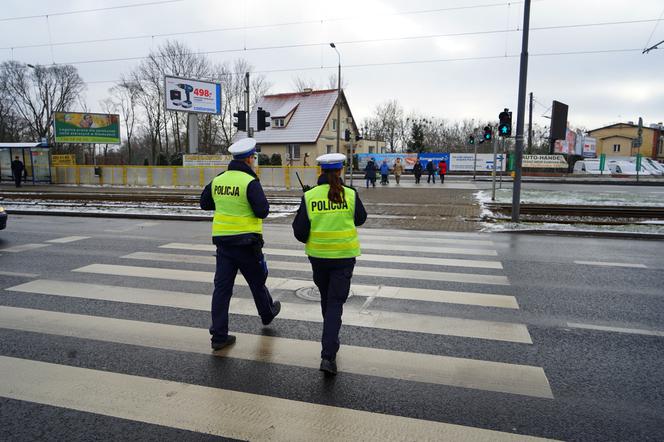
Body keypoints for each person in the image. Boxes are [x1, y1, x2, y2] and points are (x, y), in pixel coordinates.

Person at [200, 138, 281, 351]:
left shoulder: (219, 179)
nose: (254, 161)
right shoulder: (249, 181)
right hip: (246, 243)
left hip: (224, 245)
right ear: (248, 158)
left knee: (222, 289)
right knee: (256, 281)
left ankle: (219, 336)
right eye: (253, 157)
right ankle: (267, 313)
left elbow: (204, 203)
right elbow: (262, 210)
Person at [292, 153, 367, 375]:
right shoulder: (350, 194)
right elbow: (361, 218)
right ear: (341, 170)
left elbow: (299, 232)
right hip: (343, 258)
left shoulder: (310, 196)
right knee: (334, 304)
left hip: (318, 258)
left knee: (328, 301)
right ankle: (328, 354)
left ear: (321, 171)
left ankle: (330, 337)